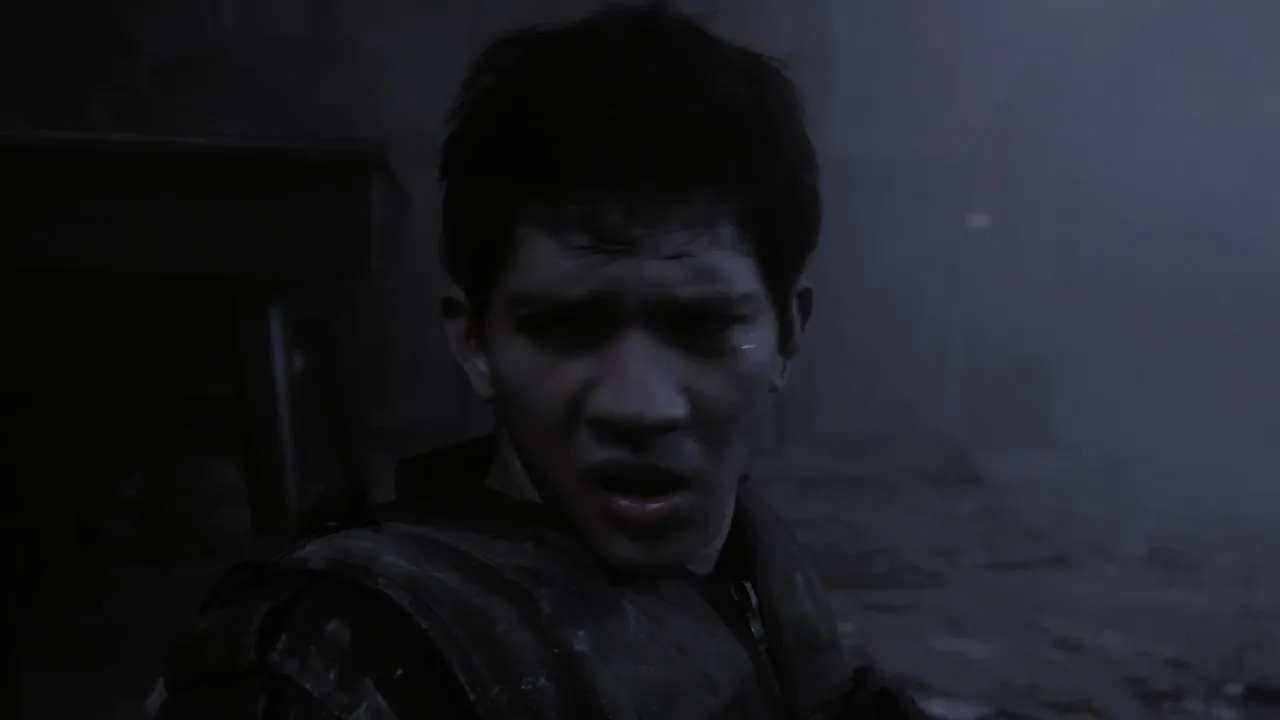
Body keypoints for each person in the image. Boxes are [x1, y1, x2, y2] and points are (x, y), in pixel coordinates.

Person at [150, 4, 924, 718]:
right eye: (567, 328)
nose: (639, 405)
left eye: (701, 326)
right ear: (474, 344)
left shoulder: (759, 564)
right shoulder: (339, 655)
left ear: (787, 336)